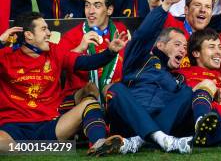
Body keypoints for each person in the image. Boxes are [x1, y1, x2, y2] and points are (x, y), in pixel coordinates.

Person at [0, 12, 128, 154]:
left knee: (89, 103)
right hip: (13, 127)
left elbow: (86, 62)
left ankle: (99, 143)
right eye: (43, 29)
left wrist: (110, 52)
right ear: (29, 35)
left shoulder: (54, 51)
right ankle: (45, 148)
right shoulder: (5, 56)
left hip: (50, 125)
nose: (49, 33)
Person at [101, 0, 198, 154]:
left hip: (159, 120)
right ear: (160, 45)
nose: (183, 50)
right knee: (116, 89)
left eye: (185, 47)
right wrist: (165, 5)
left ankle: (140, 140)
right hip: (128, 118)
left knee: (187, 93)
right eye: (177, 44)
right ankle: (162, 139)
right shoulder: (140, 58)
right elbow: (143, 35)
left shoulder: (177, 79)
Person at [57, 0, 128, 102]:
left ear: (109, 10)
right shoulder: (72, 35)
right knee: (90, 91)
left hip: (114, 98)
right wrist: (79, 48)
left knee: (116, 90)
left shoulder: (120, 31)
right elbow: (56, 64)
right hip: (81, 99)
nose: (90, 11)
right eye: (87, 5)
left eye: (97, 6)